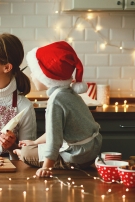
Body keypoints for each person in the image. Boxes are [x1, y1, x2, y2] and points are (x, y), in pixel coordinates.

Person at [13, 41, 102, 177]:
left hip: (77, 156)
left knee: (26, 152)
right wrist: (35, 143)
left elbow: (55, 139)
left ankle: (25, 155)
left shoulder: (56, 100)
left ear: (47, 77)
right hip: (89, 151)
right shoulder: (69, 93)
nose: (31, 76)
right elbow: (55, 131)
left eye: (34, 72)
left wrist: (46, 168)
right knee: (32, 147)